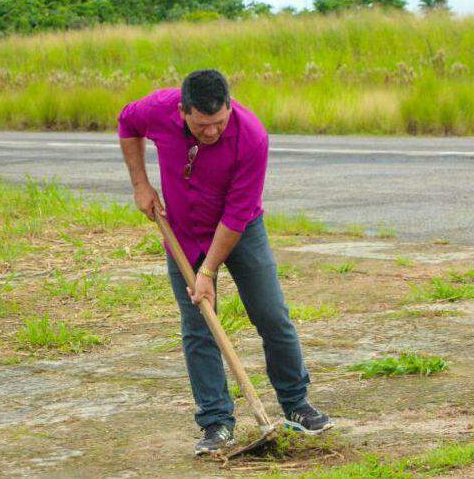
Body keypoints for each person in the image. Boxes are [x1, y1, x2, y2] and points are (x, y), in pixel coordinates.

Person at [118, 69, 333, 455]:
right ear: (183, 111)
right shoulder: (158, 109)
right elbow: (126, 123)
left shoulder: (252, 136)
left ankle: (296, 404)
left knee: (271, 314)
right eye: (203, 125)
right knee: (199, 325)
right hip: (182, 232)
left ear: (230, 107)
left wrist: (208, 271)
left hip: (240, 229)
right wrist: (140, 184)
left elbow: (236, 216)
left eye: (219, 123)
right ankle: (217, 423)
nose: (213, 132)